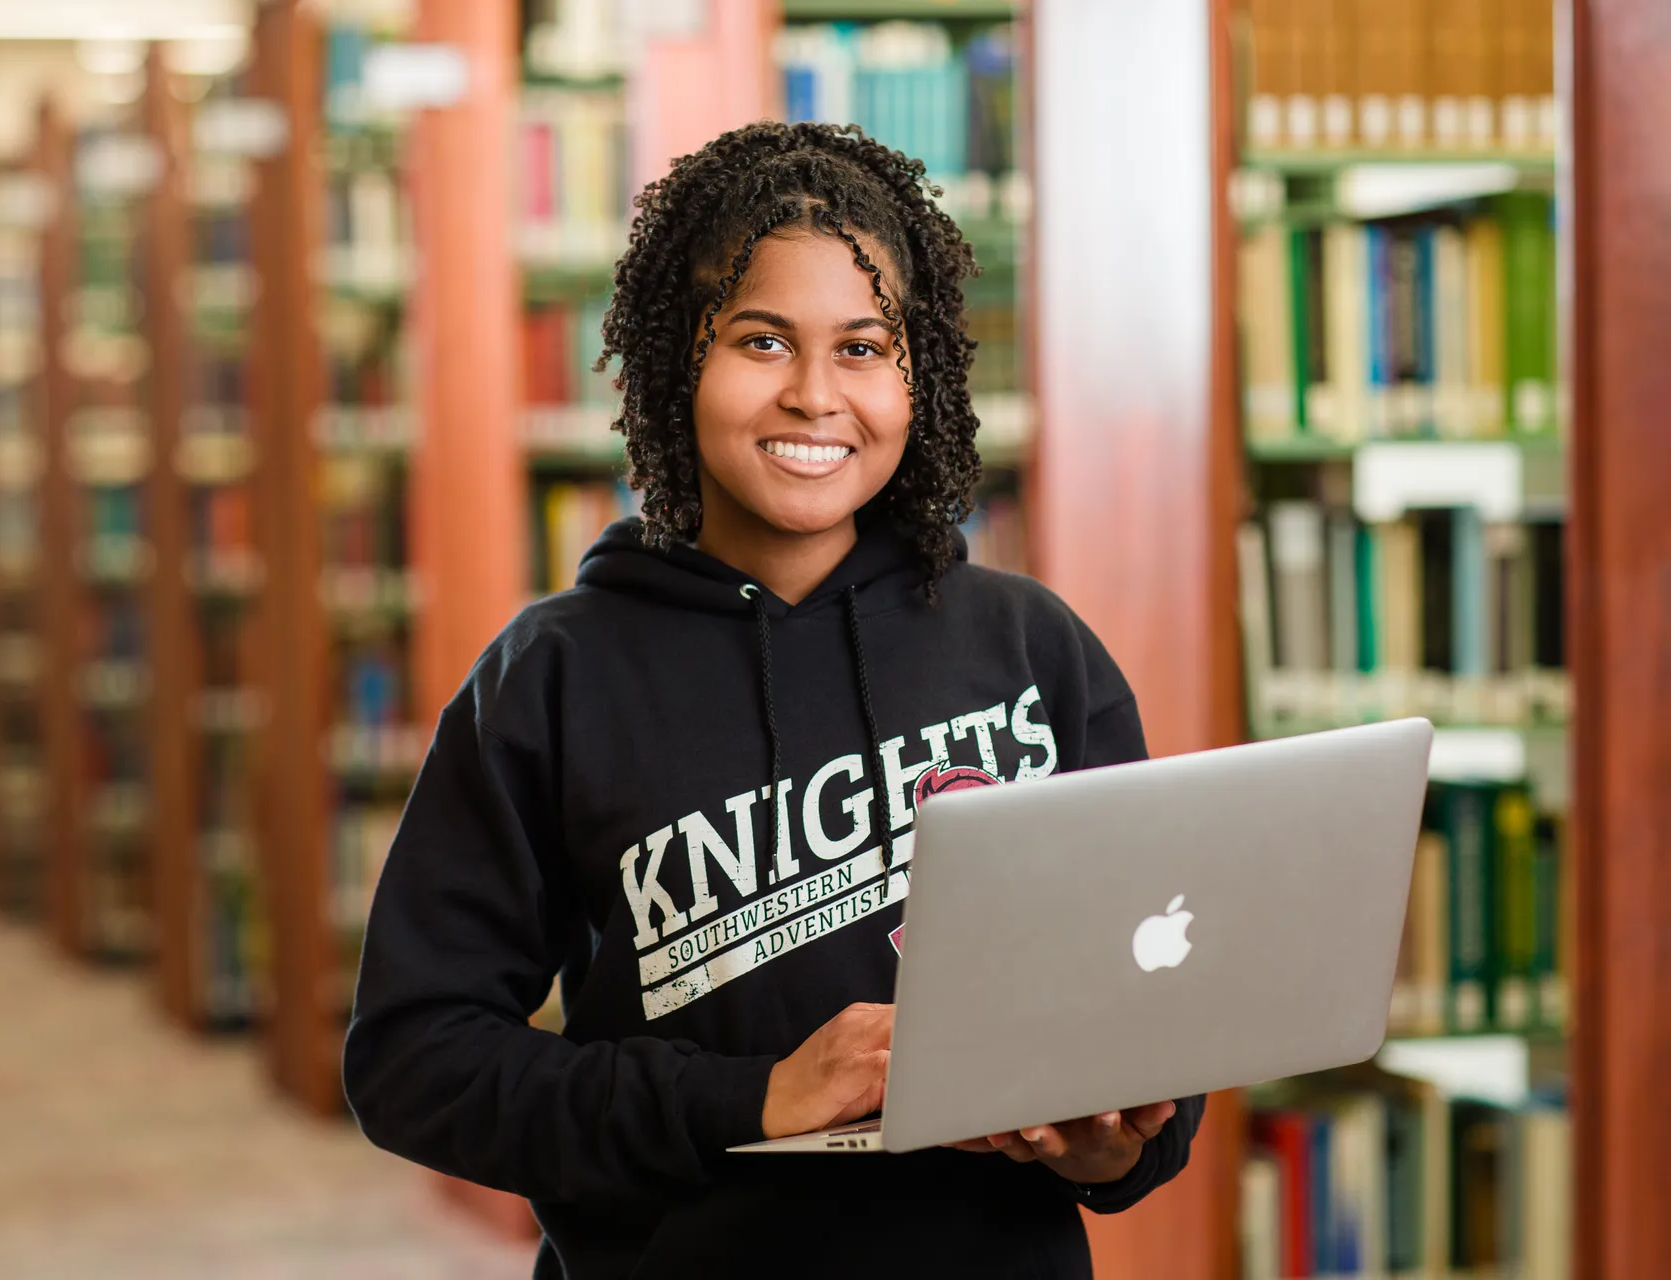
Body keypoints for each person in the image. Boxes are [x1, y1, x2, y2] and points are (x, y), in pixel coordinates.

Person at [343, 121, 1203, 1279]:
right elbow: (416, 1061)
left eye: (862, 347)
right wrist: (753, 1095)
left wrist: (1113, 1148)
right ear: (670, 362)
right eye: (760, 340)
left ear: (923, 373)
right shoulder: (548, 680)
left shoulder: (1032, 647)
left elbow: (1150, 1014)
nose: (813, 395)